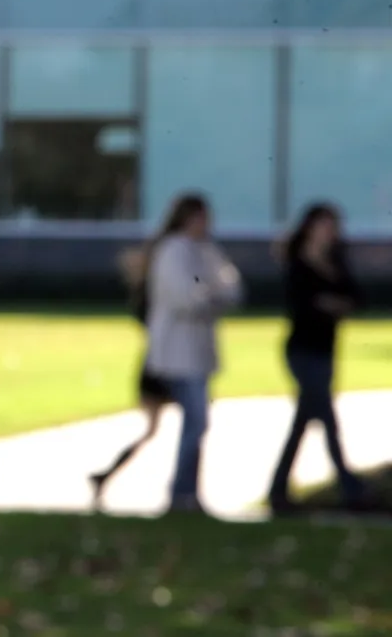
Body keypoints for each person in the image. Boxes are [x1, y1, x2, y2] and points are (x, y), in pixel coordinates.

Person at [145, 193, 244, 514]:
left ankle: (187, 492)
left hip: (198, 351)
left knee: (197, 422)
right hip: (178, 352)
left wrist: (213, 296)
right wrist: (213, 297)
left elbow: (231, 287)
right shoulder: (173, 251)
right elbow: (187, 298)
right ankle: (181, 493)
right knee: (196, 420)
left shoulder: (205, 251)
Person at [267, 203, 367, 515]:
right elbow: (302, 305)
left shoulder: (336, 262)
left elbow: (353, 298)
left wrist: (330, 303)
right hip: (302, 351)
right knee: (326, 417)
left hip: (325, 351)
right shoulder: (299, 263)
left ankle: (278, 489)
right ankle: (350, 486)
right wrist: (328, 304)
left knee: (305, 421)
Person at [88, 245, 173, 508]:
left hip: (159, 363)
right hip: (162, 366)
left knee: (154, 430)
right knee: (168, 427)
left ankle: (105, 475)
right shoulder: (153, 298)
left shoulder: (146, 296)